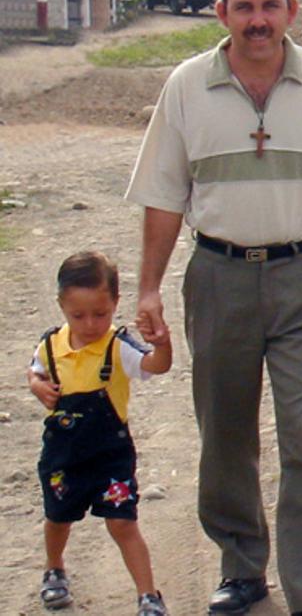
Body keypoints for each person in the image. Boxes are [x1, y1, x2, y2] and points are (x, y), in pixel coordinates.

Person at [125, 0, 302, 616]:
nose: (258, 20)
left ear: (292, 11)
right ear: (222, 13)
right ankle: (242, 568)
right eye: (244, 7)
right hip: (217, 278)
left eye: (270, 6)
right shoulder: (185, 86)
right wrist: (149, 287)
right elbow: (162, 197)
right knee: (226, 433)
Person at [27, 252, 172, 615]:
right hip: (64, 456)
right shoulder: (50, 346)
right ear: (61, 306)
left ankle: (148, 595)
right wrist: (36, 385)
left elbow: (156, 366)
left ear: (115, 304)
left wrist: (162, 342)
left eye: (100, 314)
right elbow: (36, 370)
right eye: (79, 315)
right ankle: (54, 569)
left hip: (110, 456)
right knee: (58, 517)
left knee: (123, 522)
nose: (91, 324)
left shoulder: (117, 347)